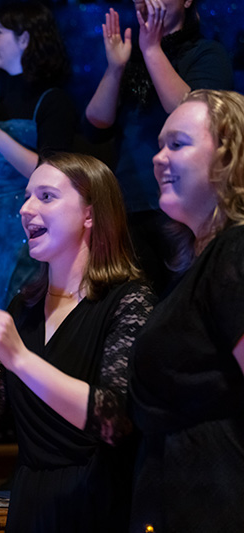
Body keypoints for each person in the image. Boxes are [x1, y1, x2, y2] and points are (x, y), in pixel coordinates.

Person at [0, 153, 155, 532]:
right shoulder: (26, 305)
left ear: (90, 213)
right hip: (31, 503)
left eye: (46, 196)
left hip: (99, 501)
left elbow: (113, 420)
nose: (26, 208)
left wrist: (19, 357)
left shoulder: (130, 301)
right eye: (26, 196)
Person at [129, 89, 244, 532]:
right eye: (158, 145)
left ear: (228, 156)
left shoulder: (235, 252)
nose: (159, 158)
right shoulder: (201, 265)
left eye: (177, 144)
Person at [84, 0, 233, 295]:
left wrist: (153, 50)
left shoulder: (205, 53)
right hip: (130, 202)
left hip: (186, 205)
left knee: (184, 299)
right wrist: (115, 67)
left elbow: (192, 112)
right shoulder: (132, 58)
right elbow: (96, 122)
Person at [0, 1, 75, 311]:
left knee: (25, 310)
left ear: (24, 39)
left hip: (30, 226)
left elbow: (54, 172)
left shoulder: (53, 99)